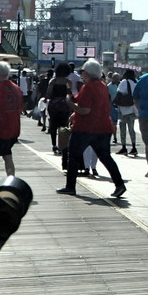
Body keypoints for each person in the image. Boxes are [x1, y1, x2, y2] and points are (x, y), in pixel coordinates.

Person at [56, 59, 127, 199]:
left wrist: (71, 105)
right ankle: (119, 184)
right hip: (103, 127)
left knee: (74, 156)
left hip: (85, 128)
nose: (82, 74)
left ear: (87, 73)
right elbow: (86, 103)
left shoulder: (88, 87)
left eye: (83, 72)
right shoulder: (102, 85)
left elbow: (85, 109)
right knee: (105, 157)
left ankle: (70, 186)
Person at [46, 63, 73, 154]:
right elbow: (70, 93)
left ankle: (54, 145)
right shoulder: (68, 82)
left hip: (53, 105)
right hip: (64, 105)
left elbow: (48, 94)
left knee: (53, 124)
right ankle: (63, 145)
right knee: (64, 125)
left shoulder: (53, 81)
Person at [114, 69, 138, 156]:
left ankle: (124, 147)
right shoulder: (135, 83)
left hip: (124, 109)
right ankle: (134, 147)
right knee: (131, 129)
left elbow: (119, 93)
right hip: (132, 109)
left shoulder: (124, 82)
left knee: (123, 128)